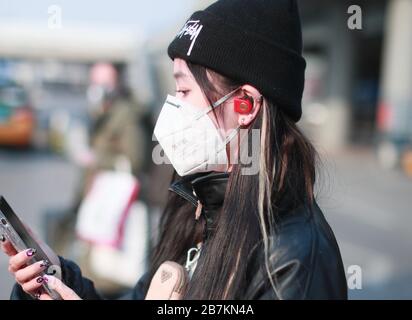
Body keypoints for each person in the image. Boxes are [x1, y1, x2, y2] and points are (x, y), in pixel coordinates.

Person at [1, 0, 347, 300]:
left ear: (244, 105)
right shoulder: (197, 209)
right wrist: (59, 277)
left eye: (183, 91)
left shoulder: (296, 257)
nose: (173, 107)